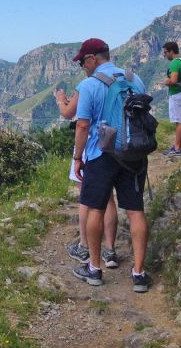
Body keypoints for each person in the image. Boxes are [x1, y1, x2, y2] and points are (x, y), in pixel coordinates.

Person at [68, 38, 152, 293]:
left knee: (95, 209)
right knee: (136, 211)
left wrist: (77, 158)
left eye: (83, 61)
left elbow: (82, 125)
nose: (83, 66)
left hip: (100, 155)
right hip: (133, 154)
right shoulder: (134, 79)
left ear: (94, 58)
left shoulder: (89, 85)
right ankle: (139, 273)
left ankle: (94, 269)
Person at [53, 91, 119, 269]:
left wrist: (61, 100)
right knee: (109, 196)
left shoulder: (88, 85)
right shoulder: (119, 78)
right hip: (112, 141)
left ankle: (84, 246)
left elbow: (68, 113)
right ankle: (110, 250)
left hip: (91, 144)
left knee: (86, 195)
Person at [162, 41, 181, 156]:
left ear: (171, 51)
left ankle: (177, 149)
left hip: (177, 95)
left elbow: (173, 80)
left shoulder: (174, 63)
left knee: (179, 121)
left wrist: (166, 81)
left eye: (165, 52)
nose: (165, 55)